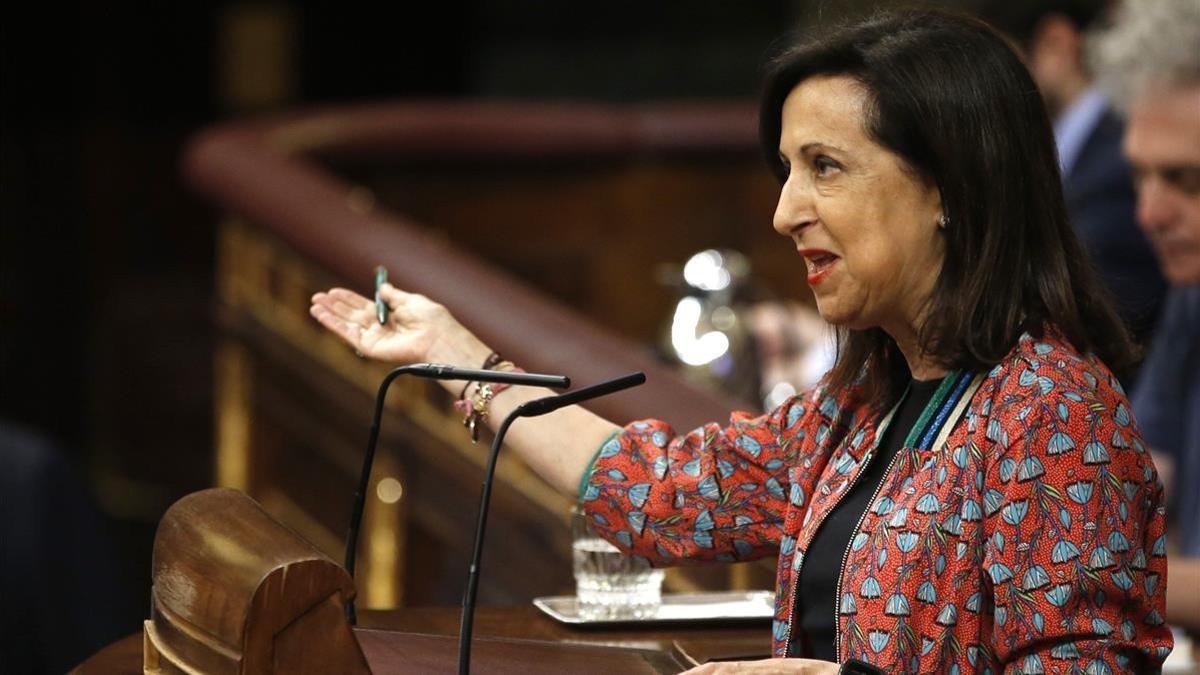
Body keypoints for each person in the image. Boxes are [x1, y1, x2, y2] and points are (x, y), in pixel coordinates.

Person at [310, 10, 1172, 673]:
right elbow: (658, 494)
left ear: (948, 183)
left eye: (824, 167)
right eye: (787, 170)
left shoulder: (1053, 416)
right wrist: (460, 354)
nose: (784, 211)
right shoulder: (866, 402)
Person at [1091, 0, 1200, 635]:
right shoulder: (1192, 295)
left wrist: (1071, 564)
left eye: (1185, 180)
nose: (1149, 215)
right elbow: (1139, 481)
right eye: (1140, 177)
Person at [977, 0, 1167, 367]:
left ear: (1055, 44)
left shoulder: (1123, 161)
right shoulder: (1086, 154)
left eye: (995, 67)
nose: (981, 93)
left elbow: (1083, 324)